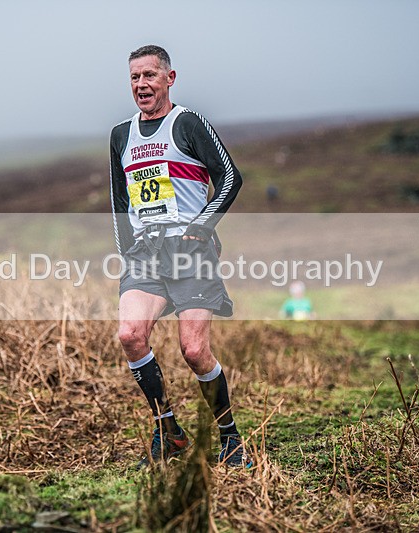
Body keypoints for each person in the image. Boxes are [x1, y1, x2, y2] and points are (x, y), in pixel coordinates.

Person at [109, 45, 248, 468]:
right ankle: (167, 428)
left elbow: (230, 178)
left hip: (190, 252)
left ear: (170, 78)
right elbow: (120, 203)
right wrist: (128, 252)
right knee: (130, 334)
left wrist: (200, 227)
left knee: (193, 350)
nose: (141, 85)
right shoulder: (120, 134)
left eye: (150, 75)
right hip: (146, 254)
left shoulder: (187, 122)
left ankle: (230, 439)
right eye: (134, 77)